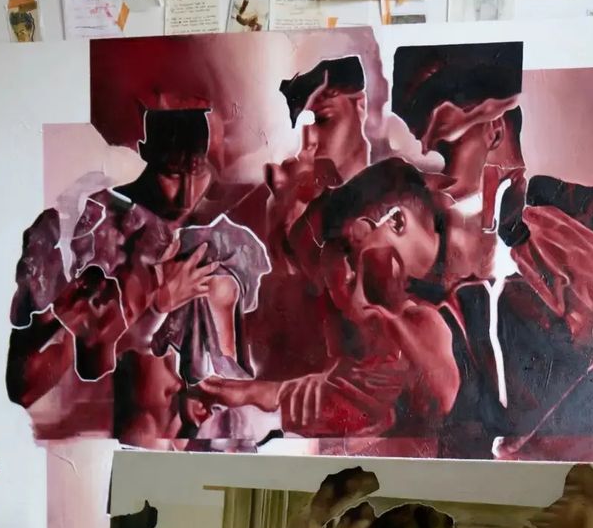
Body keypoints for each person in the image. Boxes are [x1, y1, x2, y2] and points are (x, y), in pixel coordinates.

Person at [390, 42, 593, 458]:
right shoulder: (453, 277)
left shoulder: (564, 215)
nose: (433, 164)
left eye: (444, 145)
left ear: (494, 130)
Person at [5, 108, 269, 443]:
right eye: (171, 174)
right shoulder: (82, 229)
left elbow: (227, 378)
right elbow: (27, 385)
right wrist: (154, 304)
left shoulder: (222, 241)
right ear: (145, 152)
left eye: (198, 171)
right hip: (102, 438)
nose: (187, 195)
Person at [197, 159, 459, 439]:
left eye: (349, 250)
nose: (344, 275)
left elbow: (440, 396)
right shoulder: (382, 311)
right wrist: (258, 394)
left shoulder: (443, 304)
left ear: (396, 221)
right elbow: (348, 392)